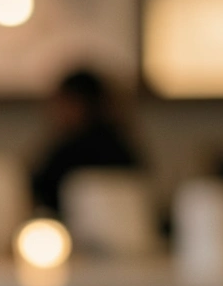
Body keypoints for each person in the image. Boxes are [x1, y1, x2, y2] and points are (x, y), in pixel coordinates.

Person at [30, 70, 141, 213]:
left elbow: (38, 190)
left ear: (82, 104)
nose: (55, 112)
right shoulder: (122, 144)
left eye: (64, 103)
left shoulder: (70, 150)